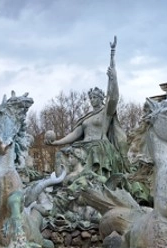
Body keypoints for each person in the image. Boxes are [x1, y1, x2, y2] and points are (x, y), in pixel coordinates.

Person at [45, 36, 129, 182]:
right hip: (84, 145)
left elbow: (114, 96)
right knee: (61, 154)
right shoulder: (87, 117)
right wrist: (56, 142)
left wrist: (114, 77)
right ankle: (61, 184)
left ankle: (94, 182)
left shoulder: (106, 112)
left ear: (101, 98)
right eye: (91, 98)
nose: (92, 100)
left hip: (98, 145)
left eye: (95, 97)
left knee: (93, 151)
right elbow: (75, 134)